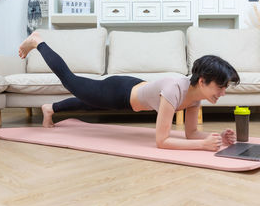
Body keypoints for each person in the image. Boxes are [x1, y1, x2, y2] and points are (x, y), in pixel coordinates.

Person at [18, 32, 241, 151]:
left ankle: (50, 108)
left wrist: (217, 138)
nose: (222, 93)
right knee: (71, 81)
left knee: (88, 102)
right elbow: (162, 141)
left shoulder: (195, 97)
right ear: (202, 81)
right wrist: (202, 146)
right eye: (220, 87)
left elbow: (191, 134)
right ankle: (39, 42)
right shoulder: (175, 89)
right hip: (118, 92)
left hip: (131, 91)